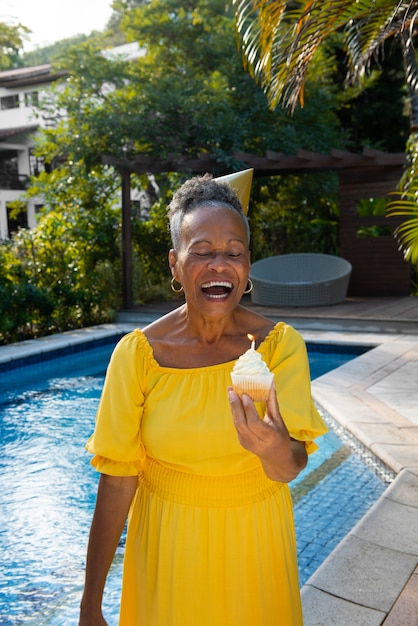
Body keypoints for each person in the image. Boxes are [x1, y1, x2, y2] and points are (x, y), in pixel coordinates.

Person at [79, 172, 327, 626]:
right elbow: (116, 481)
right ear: (174, 264)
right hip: (167, 550)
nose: (219, 264)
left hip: (257, 545)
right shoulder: (139, 356)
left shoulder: (278, 347)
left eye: (233, 252)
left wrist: (273, 448)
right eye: (202, 253)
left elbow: (288, 468)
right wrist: (90, 604)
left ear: (248, 265)